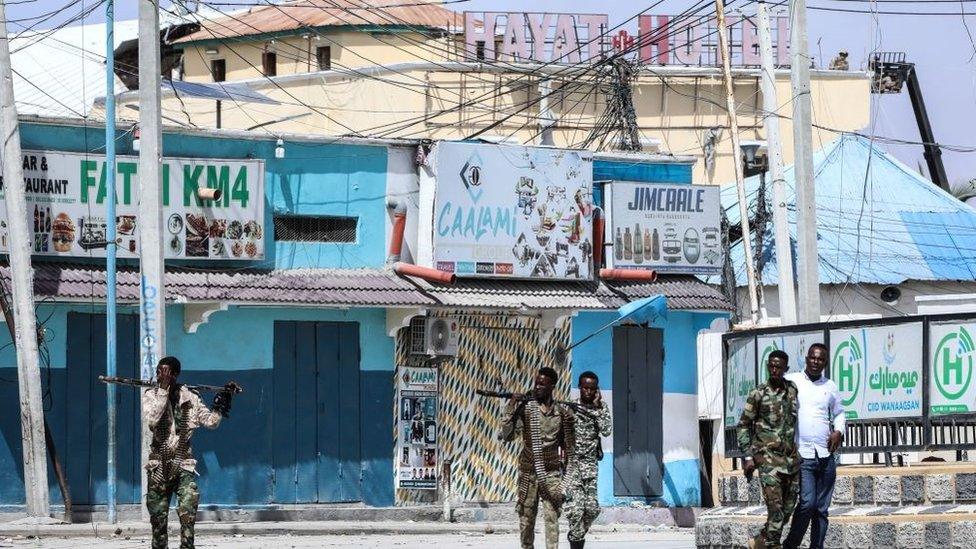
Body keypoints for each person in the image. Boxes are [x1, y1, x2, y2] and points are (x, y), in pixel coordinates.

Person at [143, 356, 239, 549]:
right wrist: (162, 390)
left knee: (188, 512)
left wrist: (222, 401)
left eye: (166, 372)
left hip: (183, 464)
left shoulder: (190, 397)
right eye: (159, 372)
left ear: (176, 375)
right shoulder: (151, 395)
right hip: (159, 465)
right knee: (158, 518)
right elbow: (152, 420)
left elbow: (210, 422)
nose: (161, 375)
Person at [499, 367, 577, 549]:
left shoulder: (562, 413)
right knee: (526, 519)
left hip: (550, 473)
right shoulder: (526, 409)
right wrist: (511, 406)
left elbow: (569, 448)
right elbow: (508, 436)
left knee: (552, 518)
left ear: (552, 386)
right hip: (528, 472)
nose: (537, 387)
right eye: (536, 383)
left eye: (542, 384)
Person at [783, 343, 845, 549]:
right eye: (813, 358)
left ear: (825, 362)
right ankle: (790, 545)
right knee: (807, 503)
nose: (816, 362)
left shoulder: (830, 386)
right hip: (803, 454)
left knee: (821, 509)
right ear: (806, 358)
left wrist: (838, 431)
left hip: (826, 455)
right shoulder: (792, 381)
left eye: (820, 359)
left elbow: (839, 412)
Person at [737, 350, 799, 549]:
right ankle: (772, 545)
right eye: (771, 366)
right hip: (767, 461)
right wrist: (747, 456)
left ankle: (760, 540)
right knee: (776, 509)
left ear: (785, 369)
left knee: (788, 509)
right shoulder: (758, 393)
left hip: (790, 460)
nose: (774, 370)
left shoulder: (792, 390)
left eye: (778, 367)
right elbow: (744, 425)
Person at [565, 371, 612, 549]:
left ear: (596, 390)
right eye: (585, 387)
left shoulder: (601, 407)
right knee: (576, 511)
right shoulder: (571, 407)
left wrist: (596, 407)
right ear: (580, 387)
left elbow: (606, 430)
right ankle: (577, 542)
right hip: (573, 465)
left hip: (590, 465)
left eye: (592, 389)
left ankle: (575, 535)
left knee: (592, 509)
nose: (588, 391)